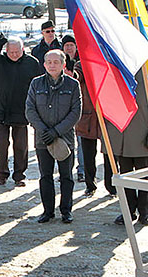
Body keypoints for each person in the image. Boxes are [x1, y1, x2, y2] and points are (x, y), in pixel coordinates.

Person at [106, 68, 148, 225]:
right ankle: (128, 211)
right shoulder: (115, 66)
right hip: (121, 133)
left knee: (144, 176)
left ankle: (144, 212)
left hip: (143, 132)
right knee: (125, 177)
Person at [25, 50, 82, 224]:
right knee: (45, 176)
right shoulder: (36, 83)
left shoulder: (73, 85)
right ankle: (47, 211)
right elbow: (30, 110)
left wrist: (56, 131)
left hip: (65, 139)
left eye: (56, 62)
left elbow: (75, 112)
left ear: (63, 64)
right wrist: (43, 130)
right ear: (44, 64)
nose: (52, 65)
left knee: (66, 176)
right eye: (49, 62)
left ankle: (66, 210)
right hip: (43, 139)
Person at [0, 35, 40, 187]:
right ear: (6, 50)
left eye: (17, 52)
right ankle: (2, 174)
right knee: (1, 143)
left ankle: (19, 174)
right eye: (11, 52)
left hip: (21, 109)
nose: (14, 55)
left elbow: (38, 85)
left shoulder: (31, 63)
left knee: (20, 145)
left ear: (23, 49)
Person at [74, 60, 116, 198]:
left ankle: (111, 185)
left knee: (110, 154)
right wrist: (72, 74)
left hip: (107, 116)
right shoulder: (82, 64)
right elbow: (77, 76)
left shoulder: (111, 61)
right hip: (88, 118)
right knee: (88, 155)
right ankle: (90, 184)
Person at [61, 34, 85, 183]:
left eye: (71, 45)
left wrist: (73, 73)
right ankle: (66, 170)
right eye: (66, 45)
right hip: (63, 108)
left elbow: (80, 77)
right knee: (66, 142)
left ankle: (82, 170)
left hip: (80, 107)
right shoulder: (57, 61)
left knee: (81, 141)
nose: (69, 47)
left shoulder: (81, 61)